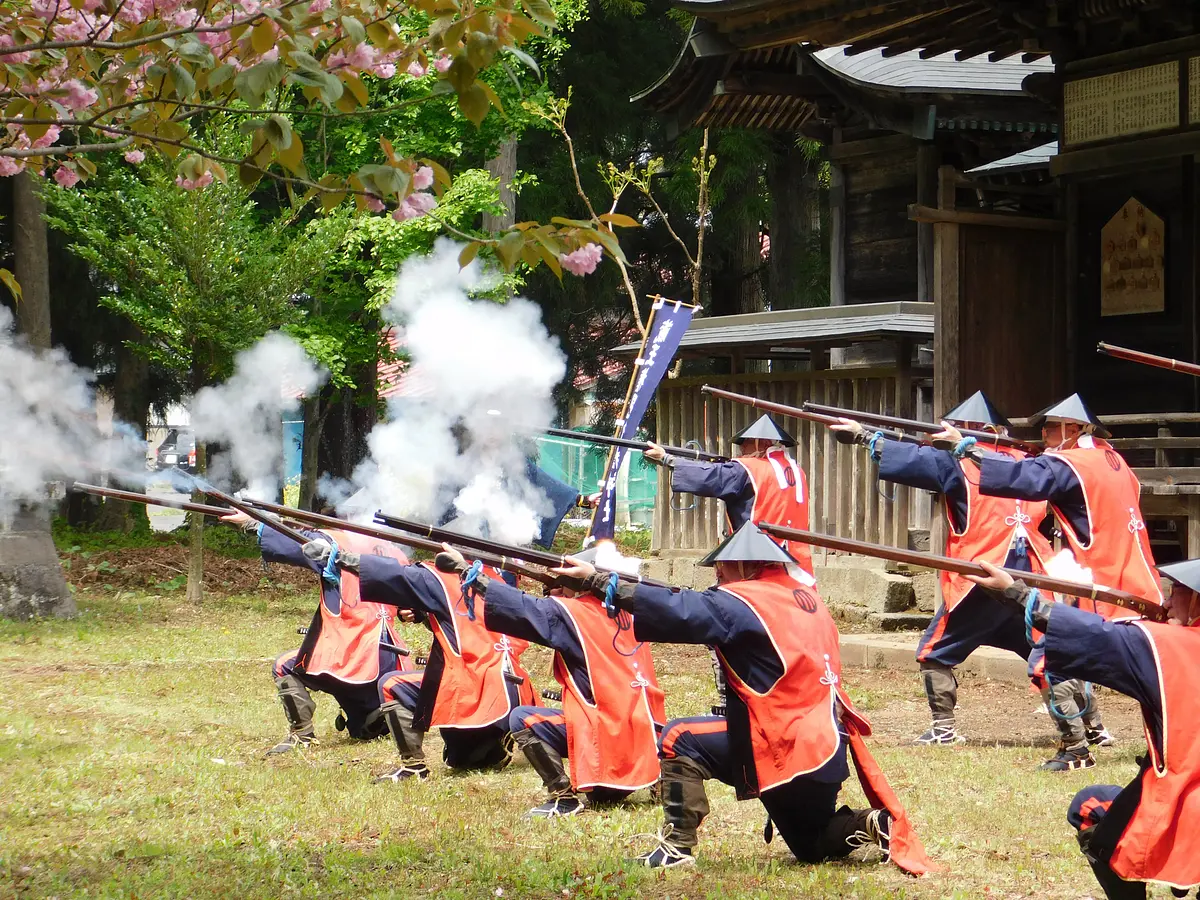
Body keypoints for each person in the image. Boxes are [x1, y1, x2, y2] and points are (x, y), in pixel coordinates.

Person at [553, 523, 934, 875]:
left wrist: (599, 582)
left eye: (725, 567)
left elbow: (681, 610)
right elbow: (689, 604)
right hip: (827, 748)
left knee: (678, 736)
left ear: (748, 565)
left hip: (784, 742)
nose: (718, 574)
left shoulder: (742, 601)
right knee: (811, 846)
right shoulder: (805, 597)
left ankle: (676, 846)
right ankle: (873, 823)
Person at [966, 558, 1200, 900]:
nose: (1165, 602)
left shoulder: (1173, 647)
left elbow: (1096, 636)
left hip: (1189, 804)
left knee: (1091, 812)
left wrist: (1014, 592)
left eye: (1176, 592)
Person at [831, 391, 1055, 749]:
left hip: (982, 575)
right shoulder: (1031, 464)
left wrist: (863, 435)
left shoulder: (962, 463)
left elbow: (916, 460)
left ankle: (944, 729)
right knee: (1048, 648)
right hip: (1029, 571)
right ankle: (1090, 728)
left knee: (933, 652)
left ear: (969, 430)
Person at [972, 392, 1161, 771]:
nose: (1044, 434)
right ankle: (1156, 745)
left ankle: (1076, 748)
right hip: (1138, 582)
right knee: (1151, 677)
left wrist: (970, 453)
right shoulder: (1115, 460)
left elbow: (1028, 478)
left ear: (1073, 429)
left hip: (1101, 583)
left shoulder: (1073, 462)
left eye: (1051, 428)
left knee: (1050, 658)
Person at [428, 544, 668, 818]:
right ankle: (658, 781)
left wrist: (465, 570)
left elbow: (519, 607)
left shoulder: (573, 613)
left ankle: (563, 797)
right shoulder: (631, 613)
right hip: (646, 736)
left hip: (605, 737)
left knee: (522, 719)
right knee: (604, 797)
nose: (557, 589)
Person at [312, 538, 539, 778]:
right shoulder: (497, 578)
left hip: (474, 690)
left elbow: (394, 575)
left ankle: (413, 767)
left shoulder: (441, 577)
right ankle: (496, 745)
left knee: (392, 685)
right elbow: (463, 617)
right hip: (514, 692)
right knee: (461, 759)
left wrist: (339, 558)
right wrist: (422, 613)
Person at [222, 511, 415, 756]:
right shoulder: (394, 552)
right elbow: (409, 603)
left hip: (354, 651)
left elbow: (298, 544)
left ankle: (302, 735)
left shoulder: (337, 542)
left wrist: (253, 523)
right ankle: (376, 713)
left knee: (285, 666)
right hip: (392, 659)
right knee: (360, 725)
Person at [645, 414, 814, 580]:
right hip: (795, 560)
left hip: (757, 561)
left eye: (746, 443)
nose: (741, 449)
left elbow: (710, 476)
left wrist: (666, 459)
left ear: (762, 443)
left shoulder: (748, 469)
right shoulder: (797, 471)